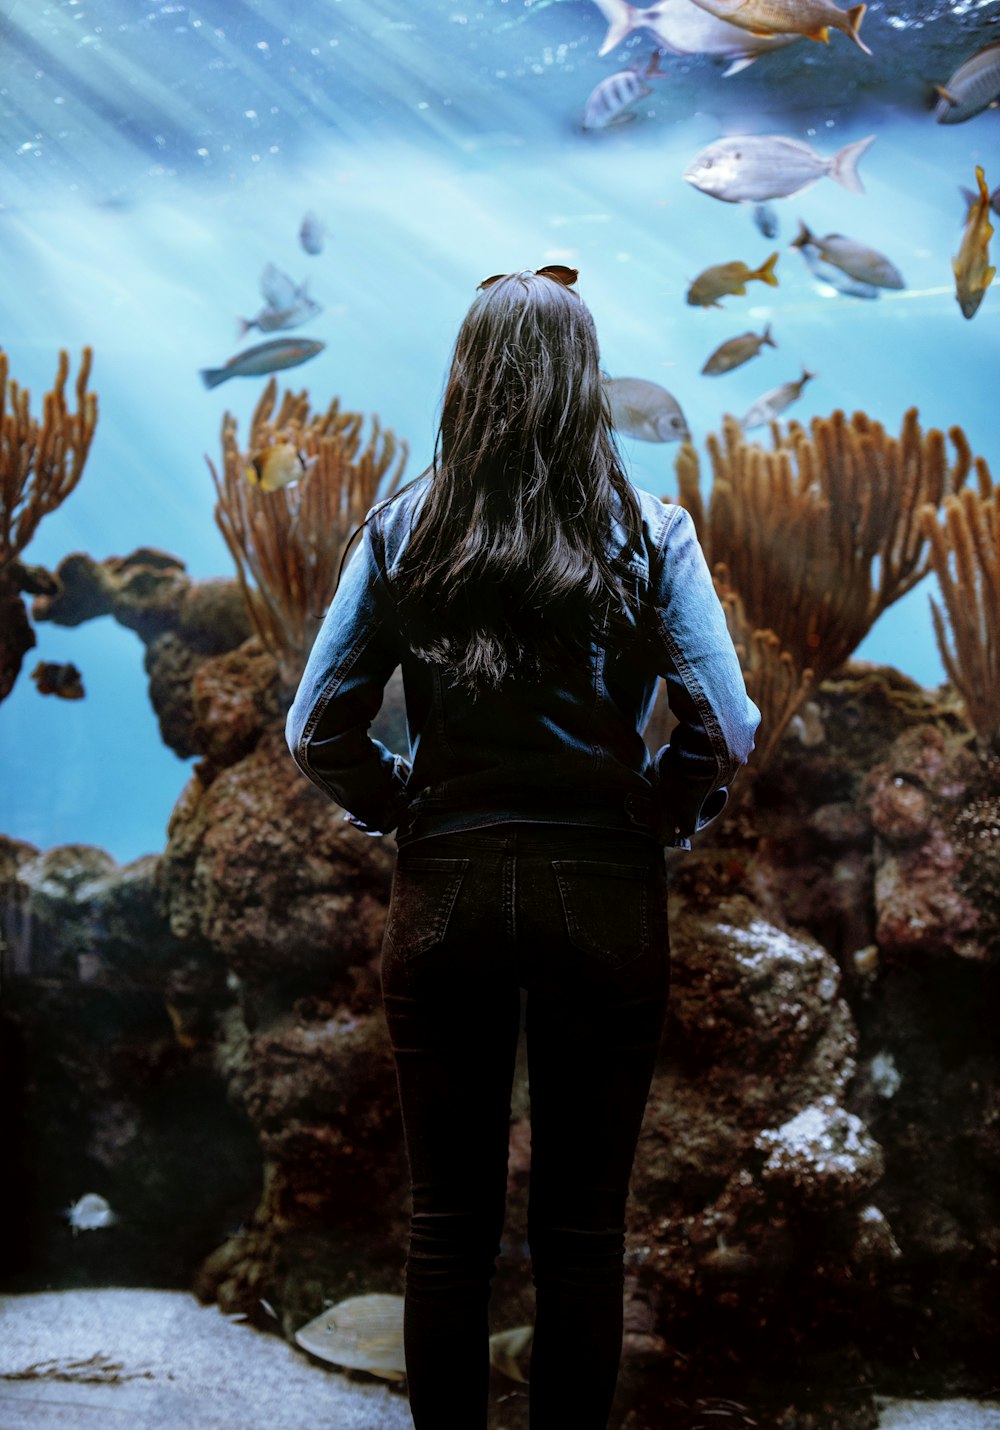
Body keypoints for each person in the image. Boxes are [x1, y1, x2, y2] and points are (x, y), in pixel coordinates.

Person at [285, 266, 761, 1430]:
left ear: (466, 380)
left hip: (445, 887)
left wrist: (405, 807)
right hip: (602, 890)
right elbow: (729, 724)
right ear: (582, 386)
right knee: (582, 1234)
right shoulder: (652, 529)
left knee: (446, 1227)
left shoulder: (403, 525)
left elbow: (313, 727)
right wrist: (655, 809)